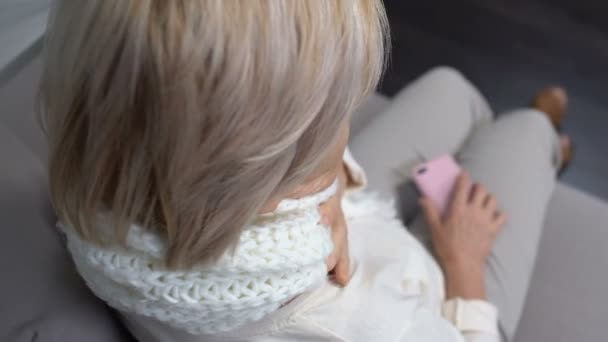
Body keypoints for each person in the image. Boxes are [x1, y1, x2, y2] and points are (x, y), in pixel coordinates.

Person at [39, 1, 572, 341]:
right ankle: (544, 137)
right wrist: (466, 265)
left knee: (451, 87)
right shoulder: (347, 328)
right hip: (440, 295)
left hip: (357, 221)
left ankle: (531, 137)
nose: (350, 118)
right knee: (520, 128)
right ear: (274, 172)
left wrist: (331, 190)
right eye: (340, 113)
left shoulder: (96, 197)